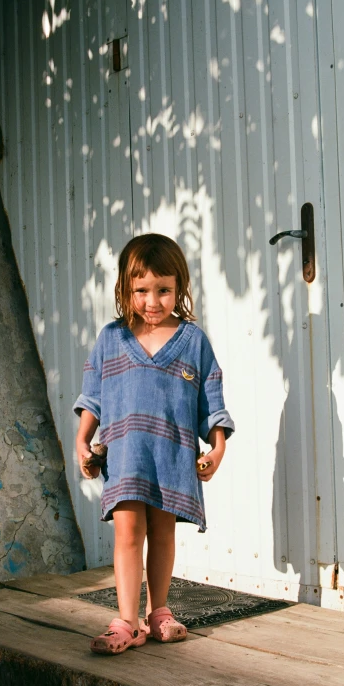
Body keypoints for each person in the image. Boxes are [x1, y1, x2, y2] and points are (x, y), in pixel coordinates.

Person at [74, 233, 235, 654]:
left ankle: (159, 611)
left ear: (179, 287)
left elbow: (211, 399)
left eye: (164, 290)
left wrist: (217, 447)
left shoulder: (193, 341)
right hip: (125, 456)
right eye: (141, 291)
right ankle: (127, 621)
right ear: (125, 291)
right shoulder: (111, 338)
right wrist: (82, 440)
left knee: (163, 534)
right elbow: (94, 395)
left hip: (172, 457)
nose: (152, 301)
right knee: (128, 531)